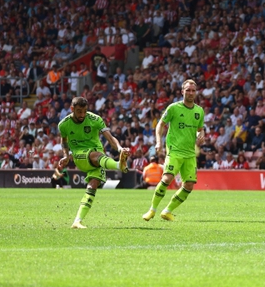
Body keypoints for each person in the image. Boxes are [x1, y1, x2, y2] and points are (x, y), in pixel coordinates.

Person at [55, 96, 129, 228]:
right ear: (72, 109)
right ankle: (119, 165)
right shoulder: (64, 124)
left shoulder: (95, 119)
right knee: (95, 154)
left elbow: (111, 139)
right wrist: (66, 155)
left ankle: (77, 221)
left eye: (84, 111)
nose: (82, 115)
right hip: (80, 155)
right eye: (79, 111)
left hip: (99, 158)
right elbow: (64, 141)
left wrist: (120, 149)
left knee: (92, 186)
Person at [142, 79, 205, 221]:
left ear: (196, 92)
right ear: (182, 91)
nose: (190, 93)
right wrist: (158, 142)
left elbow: (199, 129)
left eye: (193, 90)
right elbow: (160, 125)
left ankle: (167, 211)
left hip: (190, 154)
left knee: (189, 185)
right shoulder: (173, 108)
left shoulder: (199, 111)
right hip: (175, 151)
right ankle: (152, 210)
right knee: (167, 178)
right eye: (188, 90)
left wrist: (201, 135)